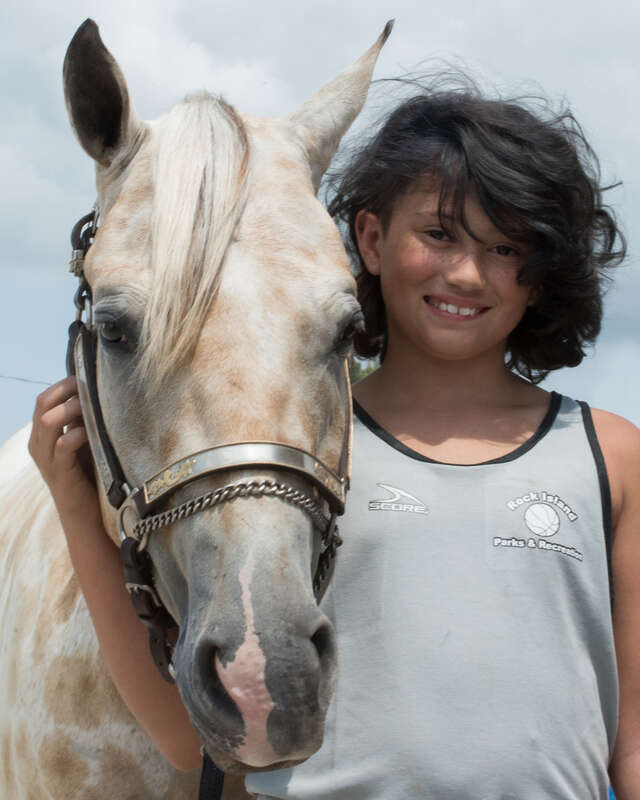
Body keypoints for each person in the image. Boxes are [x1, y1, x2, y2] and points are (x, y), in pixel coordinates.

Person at [30, 81, 640, 799]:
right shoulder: (295, 466)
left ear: (542, 273)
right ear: (371, 241)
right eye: (439, 234)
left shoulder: (610, 455)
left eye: (507, 247)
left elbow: (631, 743)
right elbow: (185, 740)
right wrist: (77, 512)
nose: (466, 273)